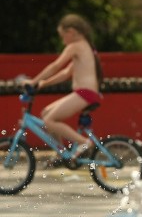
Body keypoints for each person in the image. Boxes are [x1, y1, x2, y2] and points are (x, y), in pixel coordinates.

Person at [23, 14, 103, 164]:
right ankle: (61, 153)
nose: (62, 40)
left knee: (49, 120)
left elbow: (55, 66)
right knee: (46, 113)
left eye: (62, 36)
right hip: (85, 93)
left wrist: (33, 81)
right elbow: (65, 73)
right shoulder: (84, 46)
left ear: (71, 32)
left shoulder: (75, 46)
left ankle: (84, 142)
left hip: (84, 93)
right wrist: (44, 83)